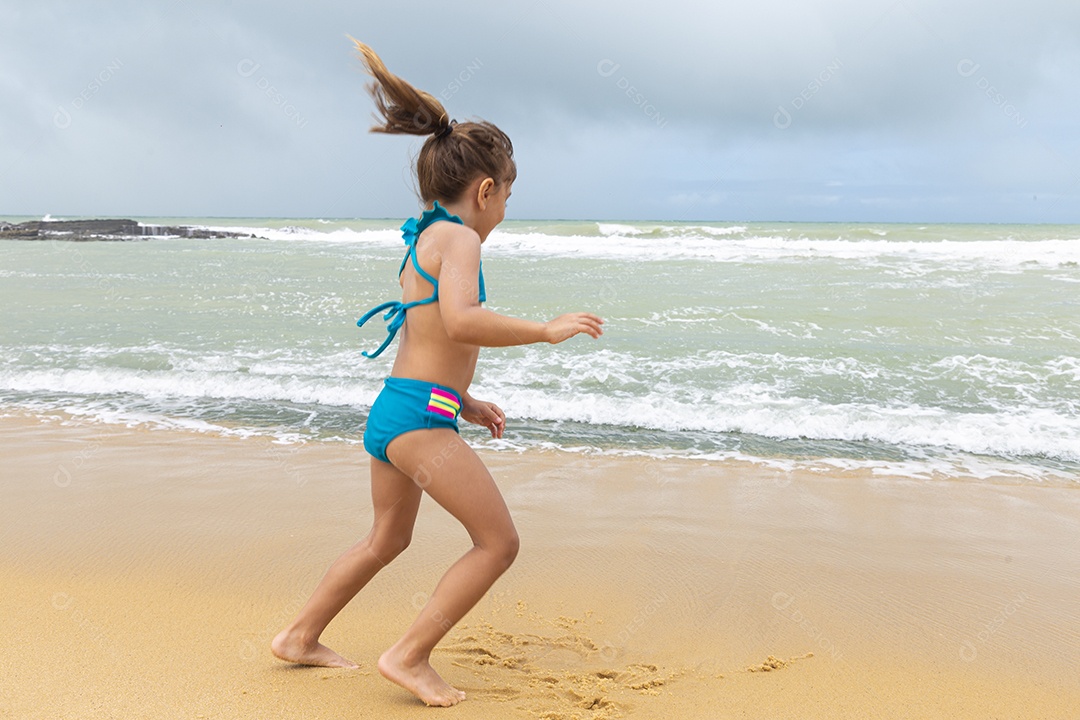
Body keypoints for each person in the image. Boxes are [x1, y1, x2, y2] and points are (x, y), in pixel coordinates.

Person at [271, 39, 604, 707]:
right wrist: (542, 329)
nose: (507, 206)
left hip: (400, 409)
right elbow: (460, 320)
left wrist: (467, 399)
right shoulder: (461, 238)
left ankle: (299, 637)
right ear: (487, 190)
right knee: (498, 542)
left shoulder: (425, 234)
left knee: (386, 538)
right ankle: (409, 654)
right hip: (419, 421)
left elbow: (427, 335)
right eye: (509, 193)